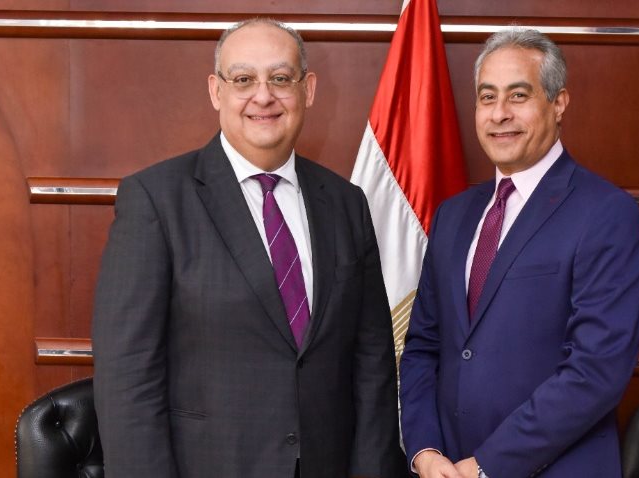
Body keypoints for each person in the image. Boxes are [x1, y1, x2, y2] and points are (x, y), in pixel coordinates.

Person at [92, 18, 406, 478]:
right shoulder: (156, 200)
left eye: (280, 78)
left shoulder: (346, 203)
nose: (263, 96)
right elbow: (127, 375)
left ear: (308, 90)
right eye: (243, 79)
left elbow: (372, 360)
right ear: (216, 91)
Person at [399, 28, 639, 478]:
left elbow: (595, 371)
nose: (500, 113)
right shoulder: (453, 215)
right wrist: (425, 451)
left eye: (518, 95)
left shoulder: (607, 213)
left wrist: (486, 466)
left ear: (558, 103)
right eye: (487, 97)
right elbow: (423, 346)